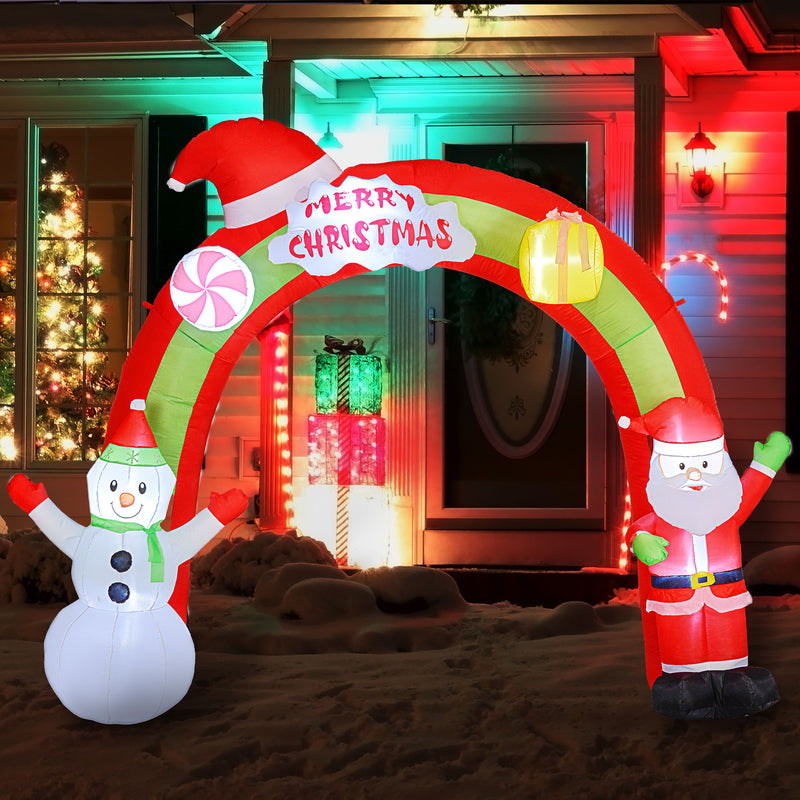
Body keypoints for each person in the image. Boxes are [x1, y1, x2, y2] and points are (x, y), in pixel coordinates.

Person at [620, 396, 791, 719]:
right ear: (662, 465)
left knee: (729, 649)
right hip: (676, 596)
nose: (695, 476)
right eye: (682, 467)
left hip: (726, 594)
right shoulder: (661, 514)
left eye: (706, 465)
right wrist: (640, 541)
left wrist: (766, 463)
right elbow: (638, 530)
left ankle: (734, 684)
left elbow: (749, 491)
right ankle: (686, 688)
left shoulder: (727, 508)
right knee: (683, 649)